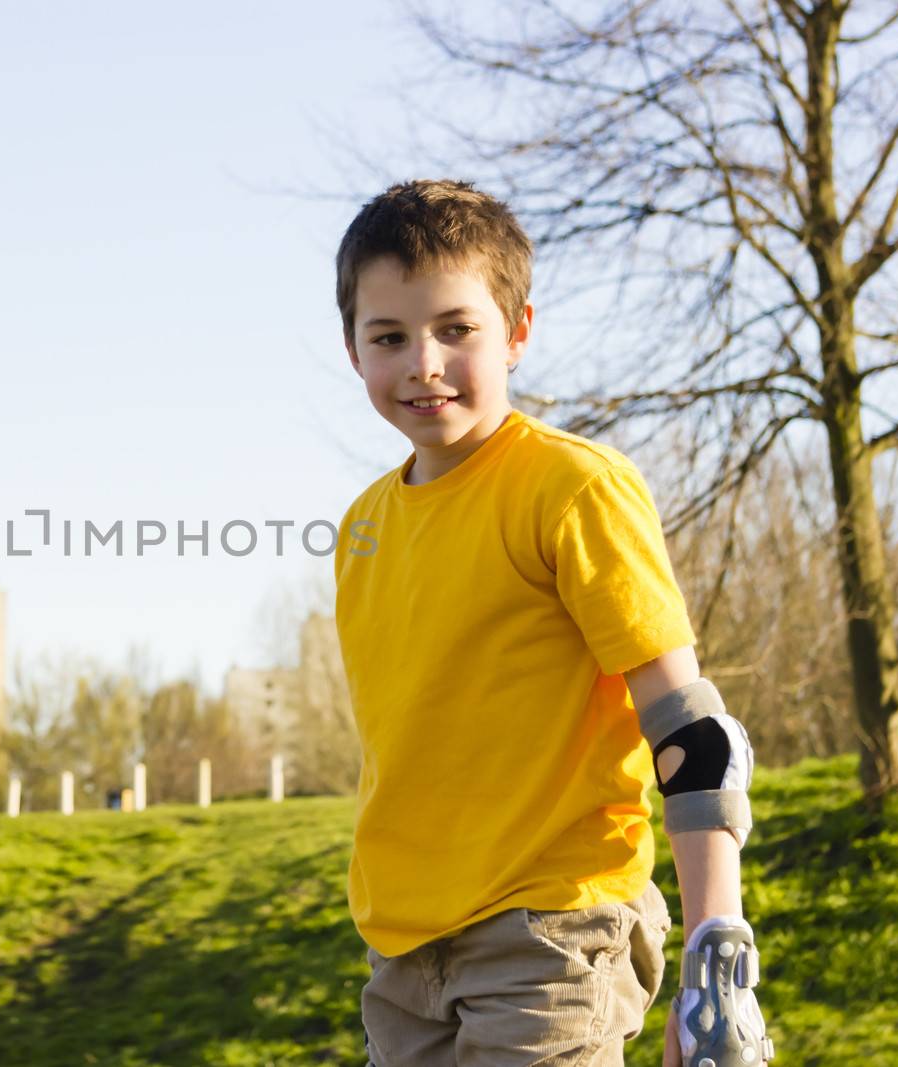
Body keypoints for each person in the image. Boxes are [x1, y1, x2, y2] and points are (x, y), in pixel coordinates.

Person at [331, 180, 775, 1066]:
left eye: (457, 329)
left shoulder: (572, 489)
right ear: (353, 349)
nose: (423, 361)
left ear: (518, 331)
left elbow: (692, 732)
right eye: (389, 336)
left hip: (552, 936)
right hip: (405, 954)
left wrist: (716, 965)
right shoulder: (362, 528)